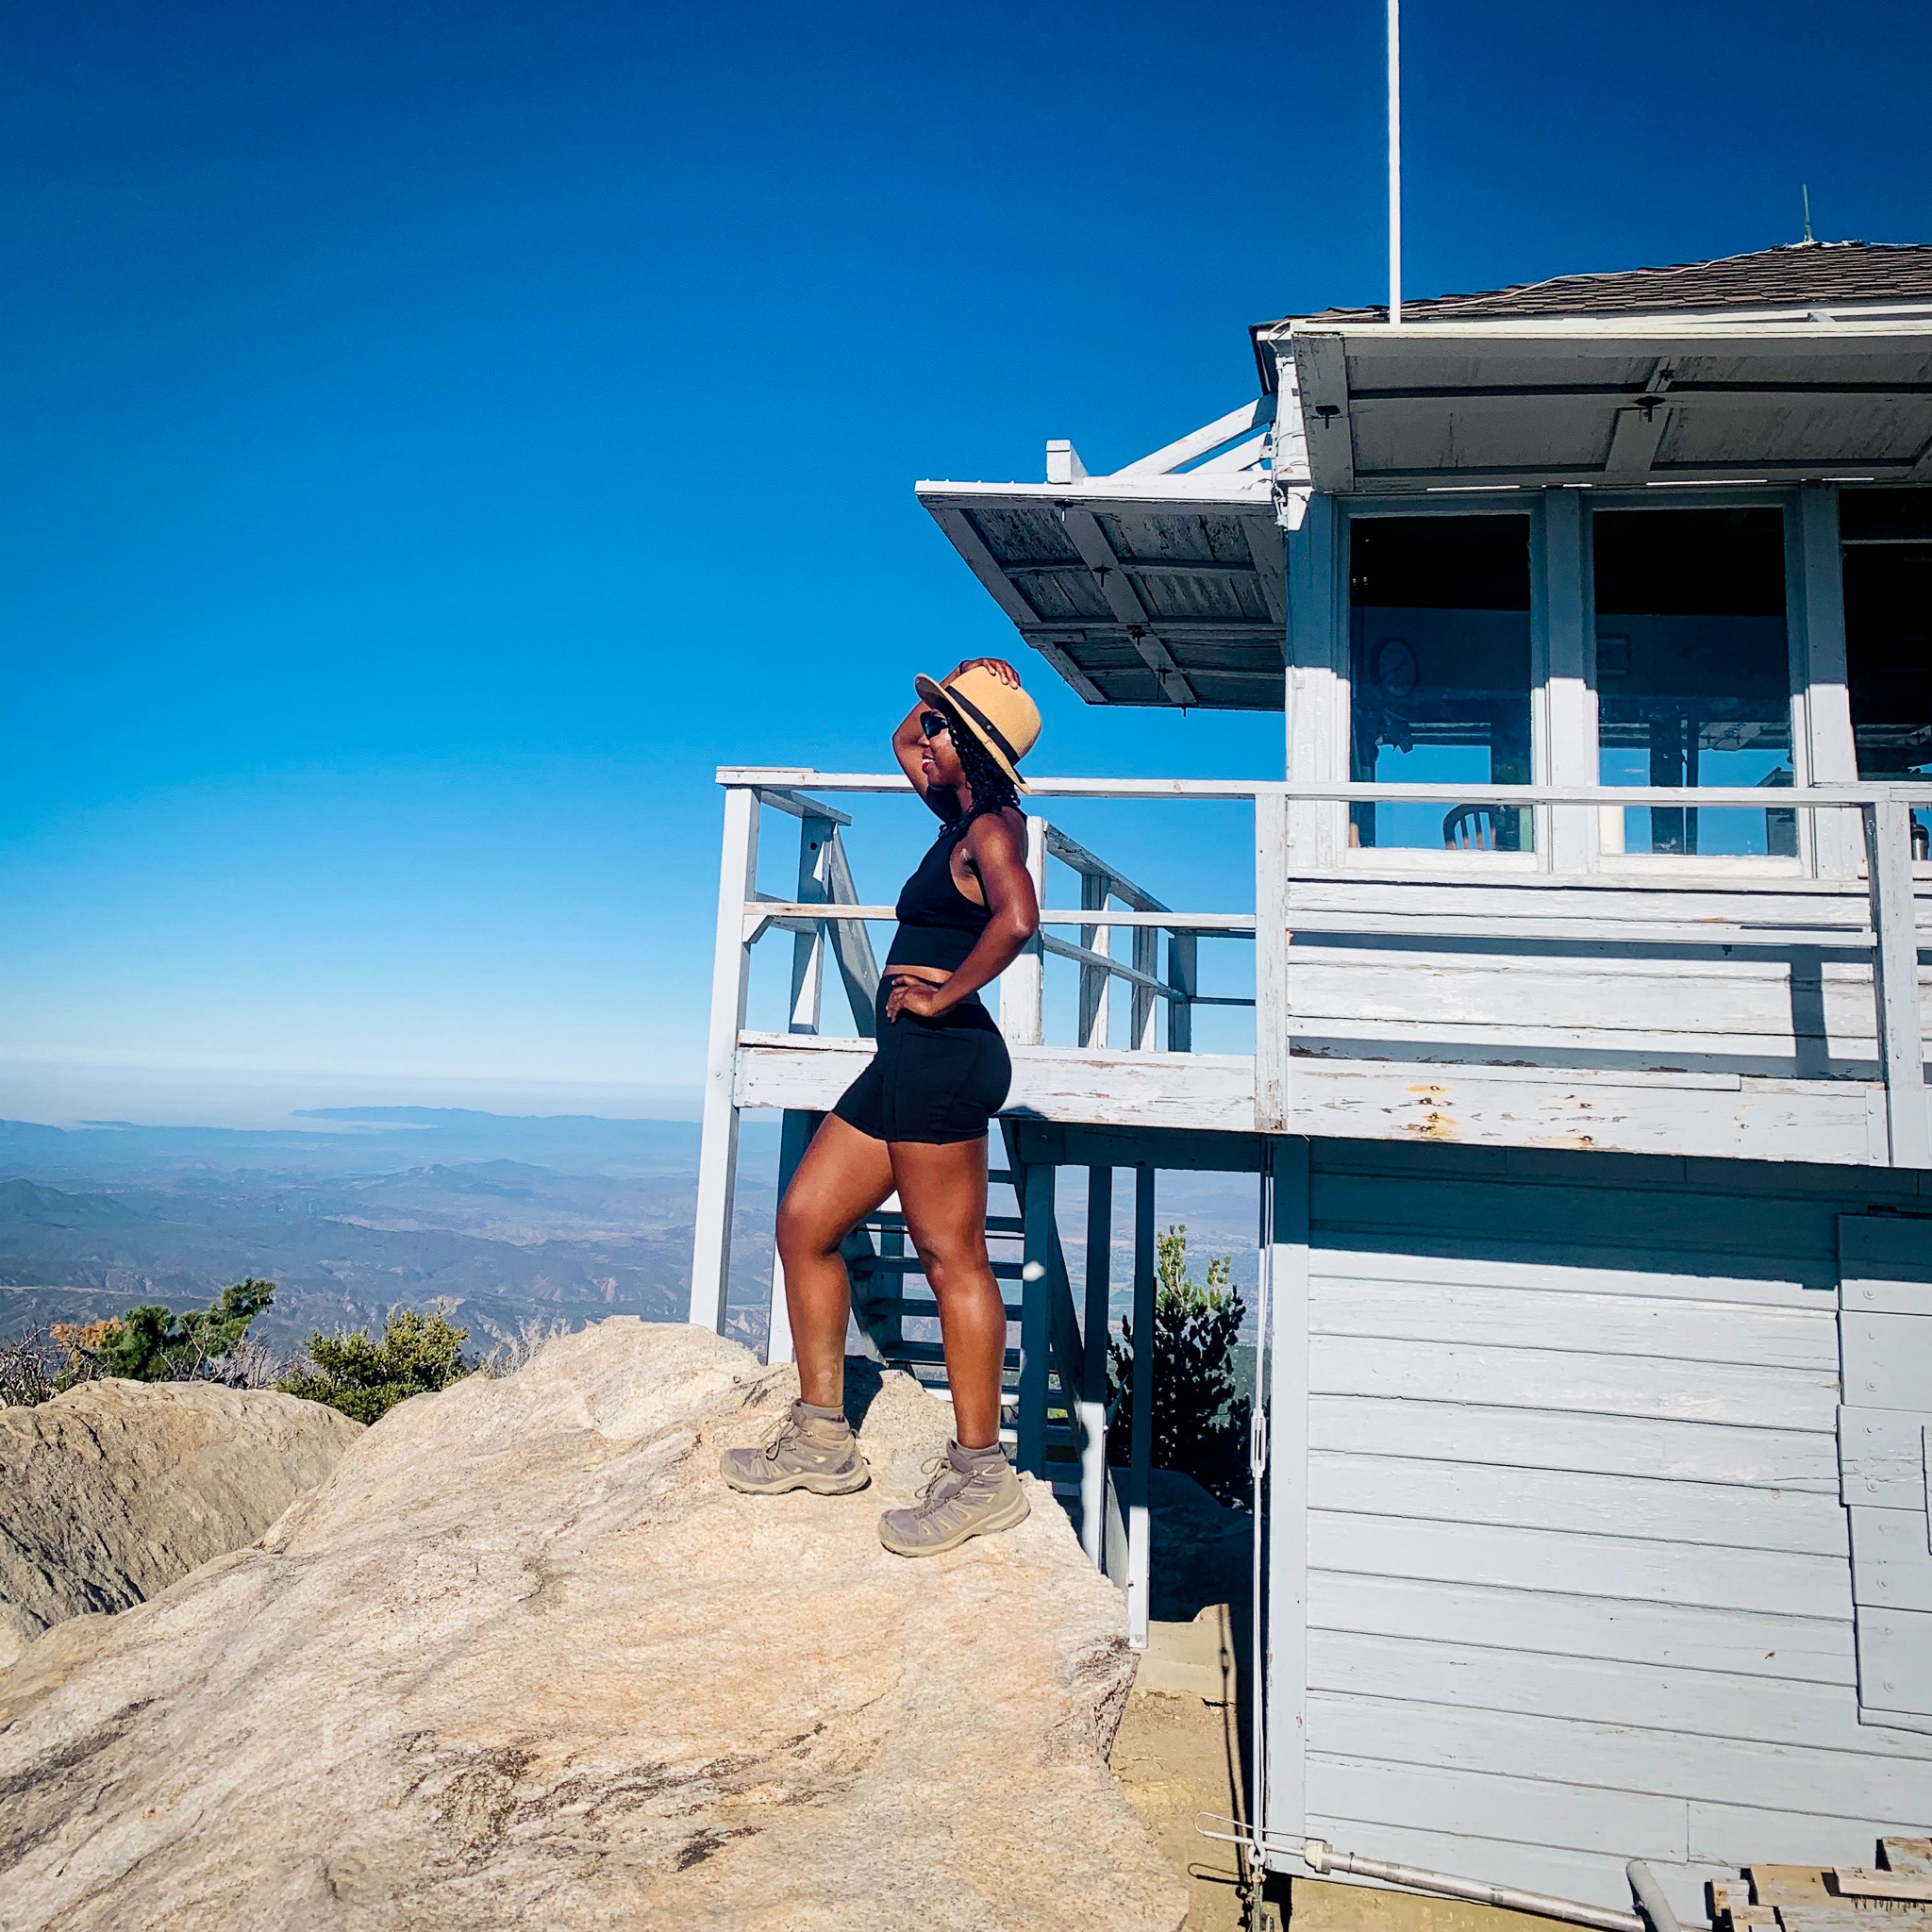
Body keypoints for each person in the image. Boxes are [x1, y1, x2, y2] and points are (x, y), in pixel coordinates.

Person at [721, 657, 1043, 1556]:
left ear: (972, 748)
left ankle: (983, 1476)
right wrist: (950, 694)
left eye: (945, 728)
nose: (925, 740)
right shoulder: (953, 819)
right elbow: (899, 738)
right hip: (903, 1060)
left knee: (952, 1260)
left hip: (943, 1055)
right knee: (805, 1220)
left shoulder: (992, 829)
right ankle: (823, 1438)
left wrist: (943, 996)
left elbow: (1018, 920)